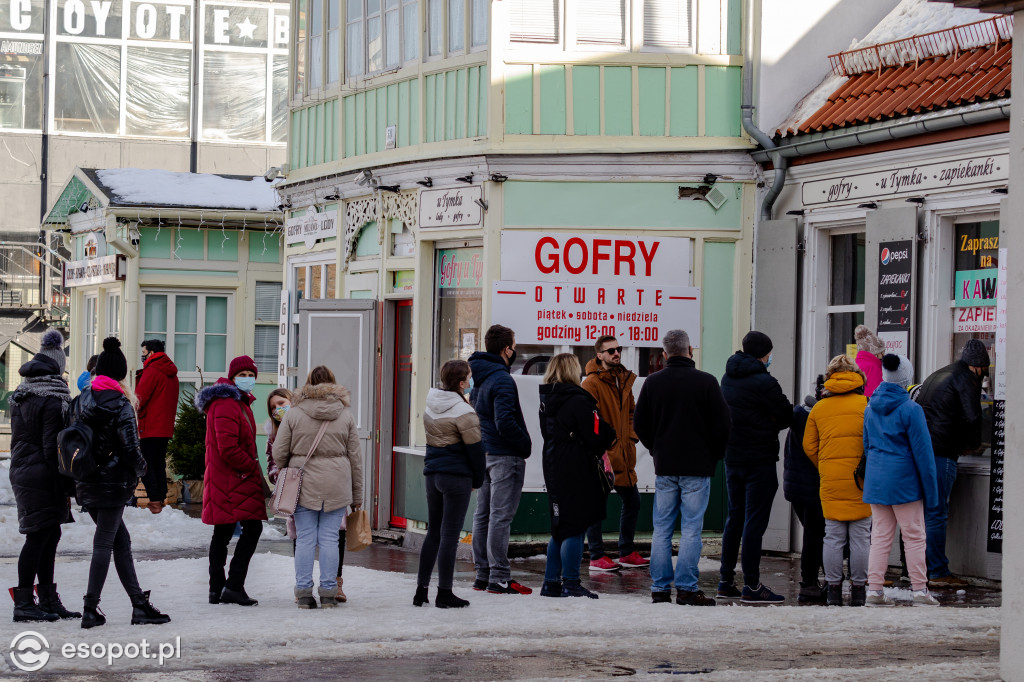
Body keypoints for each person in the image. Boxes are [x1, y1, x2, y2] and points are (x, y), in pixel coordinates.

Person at [71, 337, 170, 628]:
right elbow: (131, 450)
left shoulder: (79, 401)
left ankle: (139, 604)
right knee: (104, 543)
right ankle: (90, 609)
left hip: (85, 480)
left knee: (120, 541)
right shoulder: (121, 404)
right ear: (122, 375)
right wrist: (142, 470)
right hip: (113, 483)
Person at [634, 330, 730, 606]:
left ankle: (660, 588)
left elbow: (640, 424)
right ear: (690, 350)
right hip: (697, 466)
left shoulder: (653, 383)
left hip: (665, 465)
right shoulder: (707, 382)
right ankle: (687, 588)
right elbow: (723, 425)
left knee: (661, 529)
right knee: (691, 529)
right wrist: (713, 455)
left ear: (664, 354)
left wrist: (656, 448)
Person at [273, 365, 363, 610]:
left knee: (304, 539)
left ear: (308, 384)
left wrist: (288, 465)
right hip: (337, 483)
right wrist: (357, 494)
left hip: (303, 483)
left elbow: (279, 452)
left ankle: (303, 593)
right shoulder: (345, 415)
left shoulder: (293, 413)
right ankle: (328, 593)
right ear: (334, 384)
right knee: (330, 539)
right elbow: (355, 458)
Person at [718, 331, 793, 604]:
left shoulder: (727, 377)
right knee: (754, 523)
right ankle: (752, 584)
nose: (770, 358)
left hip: (732, 458)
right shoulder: (765, 382)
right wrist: (771, 422)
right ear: (763, 354)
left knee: (735, 518)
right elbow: (786, 414)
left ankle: (726, 581)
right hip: (759, 460)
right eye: (769, 353)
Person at [9, 330, 79, 622]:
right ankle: (25, 602)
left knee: (49, 534)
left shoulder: (22, 393)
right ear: (57, 366)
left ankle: (47, 599)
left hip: (24, 470)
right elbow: (53, 448)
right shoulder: (52, 399)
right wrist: (67, 484)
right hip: (42, 474)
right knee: (39, 537)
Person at [863, 354, 940, 607]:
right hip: (905, 482)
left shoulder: (870, 406)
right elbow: (924, 454)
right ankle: (919, 590)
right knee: (915, 536)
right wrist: (932, 492)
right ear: (906, 380)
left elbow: (867, 446)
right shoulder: (911, 409)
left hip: (877, 480)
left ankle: (874, 590)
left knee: (880, 537)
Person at [538, 354, 615, 599]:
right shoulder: (578, 400)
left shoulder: (546, 400)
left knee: (559, 525)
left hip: (552, 462)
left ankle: (551, 583)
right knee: (575, 524)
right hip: (575, 465)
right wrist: (609, 432)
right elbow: (599, 435)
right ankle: (571, 582)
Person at [915, 339, 989, 588]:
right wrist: (974, 445)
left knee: (924, 513)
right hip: (942, 452)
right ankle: (937, 572)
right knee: (936, 513)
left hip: (923, 452)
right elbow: (973, 416)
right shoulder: (965, 378)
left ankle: (918, 569)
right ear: (978, 367)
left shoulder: (938, 373)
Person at [195, 355, 266, 607]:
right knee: (251, 529)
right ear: (233, 377)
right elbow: (228, 448)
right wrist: (251, 468)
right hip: (233, 478)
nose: (248, 379)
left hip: (229, 478)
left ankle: (218, 589)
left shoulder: (235, 402)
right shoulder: (227, 403)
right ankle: (232, 585)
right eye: (243, 374)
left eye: (251, 375)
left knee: (223, 532)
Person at [468, 325, 534, 595]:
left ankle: (482, 574)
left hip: (483, 452)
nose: (515, 350)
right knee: (499, 517)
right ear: (507, 349)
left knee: (483, 514)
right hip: (505, 455)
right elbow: (504, 421)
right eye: (514, 345)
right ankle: (499, 576)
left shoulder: (480, 377)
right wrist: (524, 444)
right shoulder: (503, 379)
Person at [416, 360, 485, 608]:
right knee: (450, 535)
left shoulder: (431, 404)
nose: (471, 379)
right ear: (461, 383)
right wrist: (478, 478)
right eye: (469, 376)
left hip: (433, 474)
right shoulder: (463, 410)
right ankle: (444, 593)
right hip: (456, 477)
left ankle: (421, 589)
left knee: (433, 532)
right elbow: (475, 449)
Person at [803, 356, 870, 607]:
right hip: (862, 481)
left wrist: (826, 466)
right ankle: (859, 590)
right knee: (861, 536)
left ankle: (832, 590)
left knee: (832, 536)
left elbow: (809, 446)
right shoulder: (867, 405)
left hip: (830, 479)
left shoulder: (820, 408)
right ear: (856, 376)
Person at [582, 335, 646, 572]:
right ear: (599, 355)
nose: (616, 353)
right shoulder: (591, 383)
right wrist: (603, 447)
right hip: (603, 455)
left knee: (633, 500)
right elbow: (589, 419)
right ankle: (597, 556)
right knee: (596, 505)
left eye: (618, 349)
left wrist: (631, 437)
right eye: (610, 351)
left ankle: (626, 552)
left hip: (623, 452)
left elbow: (632, 413)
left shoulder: (624, 380)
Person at [783, 376, 826, 604]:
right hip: (813, 486)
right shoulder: (816, 419)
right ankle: (810, 582)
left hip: (796, 488)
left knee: (813, 532)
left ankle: (811, 580)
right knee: (816, 533)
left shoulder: (798, 415)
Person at [135, 339, 179, 514]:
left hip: (149, 426)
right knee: (158, 464)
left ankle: (154, 502)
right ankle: (160, 500)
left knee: (146, 465)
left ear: (152, 353)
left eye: (144, 352)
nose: (143, 356)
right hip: (164, 427)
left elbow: (140, 398)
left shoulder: (152, 370)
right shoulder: (171, 372)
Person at [853, 325, 885, 397]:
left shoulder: (855, 364)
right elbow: (876, 396)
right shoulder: (873, 368)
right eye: (882, 352)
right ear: (875, 353)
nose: (883, 355)